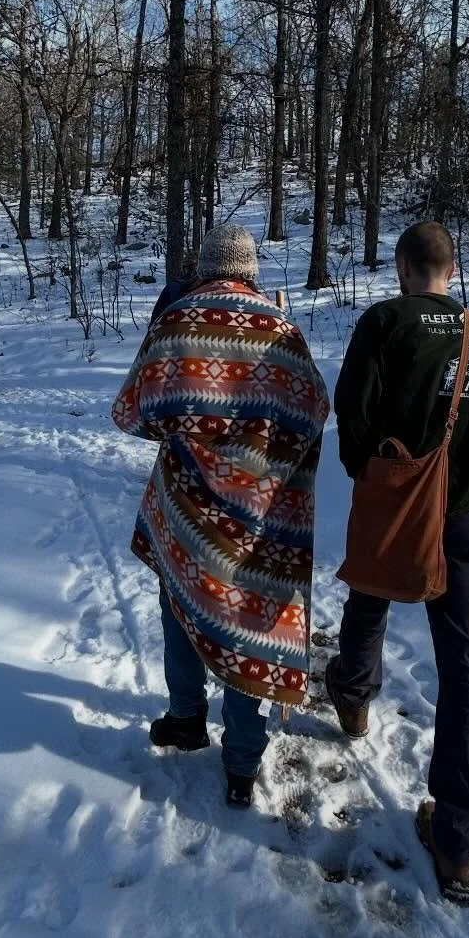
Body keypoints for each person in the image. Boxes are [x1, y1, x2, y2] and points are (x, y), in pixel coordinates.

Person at [112, 224, 329, 807]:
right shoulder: (281, 329)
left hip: (186, 509)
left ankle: (186, 717)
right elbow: (313, 412)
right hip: (261, 514)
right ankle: (241, 760)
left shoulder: (178, 321)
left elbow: (132, 412)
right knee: (248, 620)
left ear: (206, 266)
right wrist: (261, 452)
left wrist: (189, 429)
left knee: (180, 603)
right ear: (251, 269)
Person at [325, 220, 469, 903]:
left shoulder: (386, 322)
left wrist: (371, 476)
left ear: (402, 267)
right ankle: (457, 844)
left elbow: (353, 411)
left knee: (370, 592)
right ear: (452, 272)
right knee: (464, 667)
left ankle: (351, 697)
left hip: (400, 499)